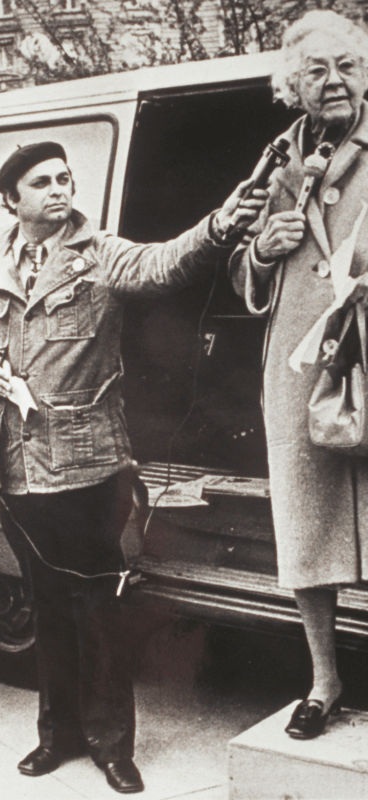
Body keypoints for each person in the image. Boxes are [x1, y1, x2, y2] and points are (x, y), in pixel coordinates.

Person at [0, 142, 264, 793]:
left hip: (90, 465)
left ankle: (113, 744)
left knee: (101, 609)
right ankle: (56, 735)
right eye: (43, 182)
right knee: (46, 604)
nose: (60, 190)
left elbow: (164, 264)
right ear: (13, 198)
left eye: (65, 178)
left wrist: (223, 223)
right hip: (16, 464)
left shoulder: (98, 251)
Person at [230, 11, 368, 741]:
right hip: (299, 364)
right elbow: (238, 273)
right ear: (294, 84)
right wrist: (261, 249)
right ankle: (323, 681)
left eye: (347, 65)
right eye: (316, 70)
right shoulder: (275, 160)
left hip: (367, 353)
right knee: (307, 526)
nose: (334, 81)